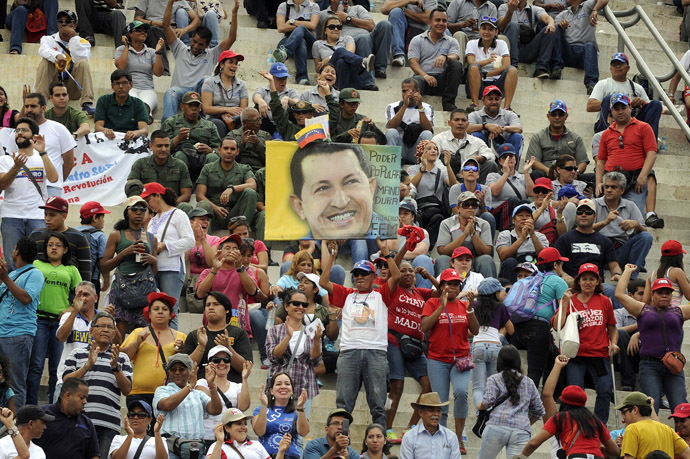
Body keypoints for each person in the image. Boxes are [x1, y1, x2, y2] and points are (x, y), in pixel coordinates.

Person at [319, 239, 400, 429]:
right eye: (356, 274)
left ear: (374, 276)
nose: (359, 278)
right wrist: (332, 257)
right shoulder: (347, 293)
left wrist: (385, 252)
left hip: (376, 352)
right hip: (349, 352)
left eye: (364, 274)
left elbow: (396, 277)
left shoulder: (381, 293)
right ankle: (340, 444)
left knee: (378, 406)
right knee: (343, 407)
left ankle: (379, 448)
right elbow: (323, 282)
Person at [616, 265, 690, 413]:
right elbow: (619, 294)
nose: (664, 296)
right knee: (650, 409)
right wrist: (627, 272)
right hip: (650, 366)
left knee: (681, 408)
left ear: (671, 295)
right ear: (652, 295)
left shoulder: (679, 311)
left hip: (674, 365)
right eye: (660, 293)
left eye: (667, 293)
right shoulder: (642, 309)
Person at [421, 269, 479, 452]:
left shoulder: (464, 305)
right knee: (441, 403)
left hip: (460, 359)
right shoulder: (431, 303)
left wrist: (470, 309)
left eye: (455, 284)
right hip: (437, 360)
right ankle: (443, 440)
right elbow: (424, 327)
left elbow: (476, 331)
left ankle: (459, 438)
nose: (452, 287)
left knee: (461, 393)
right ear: (441, 286)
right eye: (448, 283)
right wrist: (441, 306)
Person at [62, 312, 133, 459]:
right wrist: (87, 365)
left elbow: (127, 390)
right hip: (78, 420)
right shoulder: (77, 353)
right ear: (91, 330)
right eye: (101, 326)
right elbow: (66, 384)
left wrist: (115, 368)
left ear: (114, 333)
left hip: (108, 424)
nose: (106, 330)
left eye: (110, 327)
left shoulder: (122, 358)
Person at [552, 263, 617, 423]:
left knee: (605, 390)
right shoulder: (570, 299)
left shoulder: (605, 301)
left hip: (599, 355)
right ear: (578, 281)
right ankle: (574, 424)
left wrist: (613, 343)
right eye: (584, 279)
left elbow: (612, 327)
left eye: (592, 279)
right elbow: (556, 325)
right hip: (576, 356)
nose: (588, 282)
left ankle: (599, 426)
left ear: (597, 281)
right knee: (574, 392)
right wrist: (565, 303)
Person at [289, 142, 393, 240]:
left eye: (351, 182)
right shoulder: (300, 251)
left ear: (371, 190)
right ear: (299, 206)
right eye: (323, 188)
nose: (341, 202)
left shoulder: (393, 241)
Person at [160, 0, 239, 121]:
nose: (196, 46)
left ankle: (202, 115)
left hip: (199, 94)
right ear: (191, 38)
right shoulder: (180, 48)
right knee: (171, 92)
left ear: (207, 45)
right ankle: (167, 126)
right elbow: (166, 26)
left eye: (200, 44)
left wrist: (234, 13)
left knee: (207, 79)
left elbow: (232, 38)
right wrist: (170, 2)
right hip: (180, 92)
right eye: (194, 42)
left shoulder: (212, 54)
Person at [27, 232, 82, 406]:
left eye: (58, 245)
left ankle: (53, 405)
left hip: (60, 322)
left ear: (65, 249)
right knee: (36, 364)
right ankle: (31, 404)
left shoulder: (71, 269)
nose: (53, 248)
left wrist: (71, 308)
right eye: (50, 244)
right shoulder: (36, 264)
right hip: (39, 320)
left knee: (57, 367)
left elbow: (81, 294)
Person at [0, 118, 58, 270]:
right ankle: (14, 292)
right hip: (11, 216)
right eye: (17, 130)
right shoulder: (5, 159)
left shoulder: (43, 158)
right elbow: (2, 184)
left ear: (34, 135)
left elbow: (54, 178)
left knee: (39, 261)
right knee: (12, 261)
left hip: (37, 216)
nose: (19, 133)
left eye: (24, 130)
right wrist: (16, 167)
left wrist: (43, 152)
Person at [100, 195, 158, 337]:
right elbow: (104, 266)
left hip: (144, 287)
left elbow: (154, 272)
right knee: (119, 330)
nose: (139, 212)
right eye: (135, 209)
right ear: (127, 211)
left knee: (141, 332)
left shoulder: (151, 237)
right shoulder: (116, 235)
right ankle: (118, 358)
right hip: (122, 287)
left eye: (143, 209)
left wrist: (153, 260)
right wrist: (125, 253)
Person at [120, 292, 186, 410]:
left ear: (171, 315)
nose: (160, 312)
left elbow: (188, 367)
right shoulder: (138, 333)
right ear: (149, 314)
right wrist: (137, 343)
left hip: (169, 395)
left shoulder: (181, 337)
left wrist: (180, 352)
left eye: (164, 309)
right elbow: (122, 358)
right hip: (138, 394)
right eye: (156, 309)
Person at [513, 247, 568, 388]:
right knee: (535, 372)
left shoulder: (532, 278)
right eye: (560, 263)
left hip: (520, 327)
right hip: (538, 328)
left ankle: (548, 398)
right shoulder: (558, 281)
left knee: (554, 355)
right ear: (556, 265)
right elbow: (564, 310)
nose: (562, 266)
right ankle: (525, 406)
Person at [476, 345, 544, 459]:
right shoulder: (529, 382)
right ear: (518, 362)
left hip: (496, 426)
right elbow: (539, 410)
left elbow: (488, 401)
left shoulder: (494, 379)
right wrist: (526, 423)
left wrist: (480, 405)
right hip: (521, 431)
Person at [595, 93, 658, 216]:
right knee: (606, 218)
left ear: (630, 107)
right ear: (611, 111)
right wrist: (598, 182)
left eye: (623, 108)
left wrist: (642, 176)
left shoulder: (643, 127)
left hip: (635, 180)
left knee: (633, 218)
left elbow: (651, 153)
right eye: (616, 109)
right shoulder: (606, 134)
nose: (620, 112)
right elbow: (601, 160)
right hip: (611, 180)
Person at [0, 238, 44, 411]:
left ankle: (15, 430)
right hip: (3, 333)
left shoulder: (35, 273)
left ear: (16, 251)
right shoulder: (11, 274)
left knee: (15, 384)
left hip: (18, 336)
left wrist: (5, 278)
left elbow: (26, 298)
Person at [142, 183, 195, 320]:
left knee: (169, 311)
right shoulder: (153, 220)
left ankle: (172, 341)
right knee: (154, 311)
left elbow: (190, 241)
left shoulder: (179, 214)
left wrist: (165, 245)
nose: (148, 204)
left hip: (172, 268)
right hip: (154, 268)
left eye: (148, 200)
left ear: (158, 196)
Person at [521, 383, 620, 457]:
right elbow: (615, 451)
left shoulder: (560, 418)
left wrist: (521, 457)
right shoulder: (595, 420)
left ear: (564, 402)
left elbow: (534, 443)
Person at [154, 353, 222, 459]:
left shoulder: (197, 393)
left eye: (182, 369)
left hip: (196, 450)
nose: (177, 372)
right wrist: (190, 386)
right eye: (173, 369)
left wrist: (212, 385)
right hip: (171, 450)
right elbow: (167, 405)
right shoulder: (162, 390)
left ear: (190, 371)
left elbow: (216, 410)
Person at [265, 290, 323, 412]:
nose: (301, 307)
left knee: (301, 428)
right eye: (296, 303)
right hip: (280, 389)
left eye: (304, 305)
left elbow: (316, 361)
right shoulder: (275, 330)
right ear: (286, 306)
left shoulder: (311, 331)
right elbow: (272, 357)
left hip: (304, 388)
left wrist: (317, 340)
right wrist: (288, 337)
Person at [182, 291, 252, 383]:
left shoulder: (239, 333)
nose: (211, 307)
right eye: (208, 305)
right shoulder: (195, 335)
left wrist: (228, 348)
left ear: (227, 310)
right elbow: (186, 368)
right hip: (200, 390)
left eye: (216, 304)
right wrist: (201, 346)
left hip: (231, 391)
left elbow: (245, 368)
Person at [55, 282, 110, 398]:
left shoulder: (104, 319)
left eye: (86, 294)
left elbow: (117, 341)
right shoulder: (68, 316)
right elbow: (61, 337)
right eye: (78, 295)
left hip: (95, 382)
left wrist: (111, 319)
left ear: (95, 298)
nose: (82, 298)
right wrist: (75, 310)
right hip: (67, 380)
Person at [35, 10, 95, 116]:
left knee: (82, 63)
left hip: (72, 86)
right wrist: (57, 56)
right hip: (52, 83)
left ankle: (87, 102)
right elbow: (43, 50)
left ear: (75, 25)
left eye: (67, 21)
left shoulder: (83, 42)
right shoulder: (48, 39)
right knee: (46, 61)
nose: (63, 23)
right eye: (60, 21)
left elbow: (81, 57)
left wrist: (73, 38)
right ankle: (40, 101)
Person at [588, 52, 663, 138]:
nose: (617, 66)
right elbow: (590, 106)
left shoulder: (637, 87)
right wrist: (620, 103)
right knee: (609, 99)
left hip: (631, 125)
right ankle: (609, 137)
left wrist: (640, 103)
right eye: (614, 64)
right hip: (608, 125)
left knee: (656, 104)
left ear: (628, 68)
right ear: (610, 69)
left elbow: (650, 109)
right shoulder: (603, 84)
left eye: (620, 64)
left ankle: (650, 142)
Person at [593, 171, 653, 277]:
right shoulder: (594, 203)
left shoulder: (630, 205)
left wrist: (636, 225)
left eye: (613, 187)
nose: (609, 190)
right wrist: (605, 222)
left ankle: (631, 277)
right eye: (606, 187)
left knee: (645, 236)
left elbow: (645, 232)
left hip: (620, 251)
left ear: (622, 190)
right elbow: (583, 229)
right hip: (597, 250)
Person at [554, 199, 622, 288]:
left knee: (616, 291)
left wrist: (617, 274)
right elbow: (557, 264)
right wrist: (564, 275)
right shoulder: (565, 239)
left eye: (588, 212)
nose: (583, 215)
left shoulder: (605, 241)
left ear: (595, 216)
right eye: (579, 212)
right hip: (571, 284)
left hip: (597, 286)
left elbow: (614, 265)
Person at [319, 0, 393, 79]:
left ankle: (380, 69)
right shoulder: (323, 14)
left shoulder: (358, 8)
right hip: (349, 46)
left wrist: (348, 18)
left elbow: (371, 26)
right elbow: (321, 37)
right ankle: (368, 80)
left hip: (370, 40)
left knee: (385, 25)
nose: (346, 0)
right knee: (363, 38)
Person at [21, 93, 77, 197]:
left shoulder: (59, 129)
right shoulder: (19, 132)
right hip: (24, 185)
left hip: (51, 187)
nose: (29, 110)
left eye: (33, 106)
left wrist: (56, 181)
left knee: (51, 214)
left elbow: (69, 163)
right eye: (26, 106)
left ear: (43, 108)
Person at [470, 278, 514, 411]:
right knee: (491, 385)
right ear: (495, 293)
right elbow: (511, 330)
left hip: (478, 345)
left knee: (478, 387)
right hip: (495, 346)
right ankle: (489, 414)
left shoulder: (474, 306)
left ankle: (479, 413)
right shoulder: (501, 307)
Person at [196, 138, 257, 231]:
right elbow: (199, 195)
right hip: (214, 214)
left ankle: (242, 233)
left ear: (237, 152)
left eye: (232, 149)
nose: (229, 152)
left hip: (235, 214)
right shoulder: (208, 168)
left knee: (250, 192)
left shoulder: (244, 168)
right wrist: (215, 208)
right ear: (219, 150)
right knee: (204, 204)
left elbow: (253, 185)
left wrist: (232, 188)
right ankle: (203, 240)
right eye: (226, 148)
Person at [409, 9, 463, 112]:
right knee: (415, 81)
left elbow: (455, 56)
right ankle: (412, 108)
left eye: (444, 21)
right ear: (430, 22)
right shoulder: (417, 40)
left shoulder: (452, 41)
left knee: (456, 65)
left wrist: (445, 57)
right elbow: (413, 62)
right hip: (423, 78)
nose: (441, 23)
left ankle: (448, 103)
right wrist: (425, 76)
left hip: (442, 80)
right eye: (437, 20)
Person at [196, 348, 250, 447]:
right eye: (216, 360)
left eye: (226, 360)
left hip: (230, 438)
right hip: (207, 437)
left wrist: (245, 379)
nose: (222, 363)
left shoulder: (237, 386)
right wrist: (211, 383)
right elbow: (212, 407)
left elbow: (243, 407)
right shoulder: (201, 383)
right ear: (209, 363)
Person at [29, 197, 91, 282]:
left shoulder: (79, 237)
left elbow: (85, 270)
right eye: (45, 214)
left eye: (52, 215)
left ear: (64, 216)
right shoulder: (35, 235)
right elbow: (26, 263)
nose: (47, 218)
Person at [552, 0, 609, 94]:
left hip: (583, 53)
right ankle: (556, 68)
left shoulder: (587, 6)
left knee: (590, 45)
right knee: (556, 29)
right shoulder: (563, 14)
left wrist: (595, 10)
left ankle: (591, 84)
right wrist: (561, 27)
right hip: (568, 52)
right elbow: (554, 32)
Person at [34, 378, 99, 459]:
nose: (85, 401)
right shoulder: (43, 414)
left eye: (86, 398)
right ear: (68, 395)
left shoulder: (87, 423)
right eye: (82, 398)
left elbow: (94, 455)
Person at [408, 140, 457, 247]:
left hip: (436, 208)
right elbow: (411, 186)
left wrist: (448, 166)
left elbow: (453, 184)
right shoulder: (413, 169)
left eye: (435, 149)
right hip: (419, 208)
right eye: (429, 149)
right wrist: (422, 169)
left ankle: (426, 246)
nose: (433, 151)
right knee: (416, 218)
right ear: (421, 153)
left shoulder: (441, 170)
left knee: (438, 218)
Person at [525, 100, 590, 180]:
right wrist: (548, 171)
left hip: (570, 175)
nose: (557, 117)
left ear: (566, 116)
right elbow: (533, 161)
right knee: (536, 174)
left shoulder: (576, 138)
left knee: (592, 178)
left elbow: (582, 161)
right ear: (548, 116)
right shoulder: (538, 137)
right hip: (547, 175)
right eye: (553, 114)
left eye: (560, 114)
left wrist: (576, 172)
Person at [435, 191, 495, 278]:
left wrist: (473, 233)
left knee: (486, 259)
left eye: (474, 205)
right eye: (466, 204)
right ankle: (442, 290)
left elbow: (486, 252)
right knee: (442, 259)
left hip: (475, 260)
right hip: (454, 260)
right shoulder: (446, 223)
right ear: (458, 207)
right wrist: (465, 234)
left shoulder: (484, 224)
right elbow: (442, 251)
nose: (470, 207)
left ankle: (490, 290)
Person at [114, 21, 165, 123]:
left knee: (146, 103)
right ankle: (144, 116)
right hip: (129, 87)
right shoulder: (121, 49)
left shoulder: (151, 52)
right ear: (130, 34)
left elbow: (158, 73)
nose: (143, 32)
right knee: (134, 100)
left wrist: (158, 52)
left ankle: (143, 114)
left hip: (147, 88)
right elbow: (121, 67)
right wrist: (127, 46)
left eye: (145, 31)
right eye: (139, 30)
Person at [616, 391, 690, 459]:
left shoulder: (632, 429)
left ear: (635, 410)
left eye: (624, 412)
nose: (622, 416)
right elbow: (688, 454)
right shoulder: (668, 430)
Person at [432, 109, 498, 185]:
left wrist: (479, 158)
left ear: (467, 124)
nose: (460, 123)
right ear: (449, 123)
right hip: (448, 178)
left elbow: (491, 155)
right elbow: (434, 160)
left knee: (490, 164)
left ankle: (480, 192)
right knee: (444, 159)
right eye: (456, 120)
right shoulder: (439, 139)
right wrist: (449, 177)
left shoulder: (476, 141)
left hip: (471, 178)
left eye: (463, 120)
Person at [465, 18, 518, 112]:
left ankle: (507, 108)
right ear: (479, 30)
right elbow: (470, 62)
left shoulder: (501, 44)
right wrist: (487, 61)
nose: (486, 32)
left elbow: (506, 65)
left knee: (512, 70)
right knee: (473, 67)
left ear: (496, 32)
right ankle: (474, 104)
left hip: (496, 84)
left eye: (490, 29)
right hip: (478, 83)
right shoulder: (472, 43)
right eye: (484, 28)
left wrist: (487, 74)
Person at [252, 372, 309, 459]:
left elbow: (304, 432)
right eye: (278, 384)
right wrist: (264, 405)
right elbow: (259, 432)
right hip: (265, 455)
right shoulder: (260, 409)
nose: (283, 386)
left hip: (290, 456)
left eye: (287, 384)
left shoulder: (297, 412)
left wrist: (300, 407)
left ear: (292, 390)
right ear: (271, 391)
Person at [312, 16, 378, 91]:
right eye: (332, 27)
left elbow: (350, 52)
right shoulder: (317, 44)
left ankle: (340, 89)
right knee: (340, 51)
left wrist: (329, 58)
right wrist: (331, 59)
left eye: (339, 27)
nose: (336, 29)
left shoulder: (347, 38)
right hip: (330, 73)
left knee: (341, 60)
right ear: (325, 31)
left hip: (349, 73)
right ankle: (362, 62)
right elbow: (318, 68)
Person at [126, 130, 193, 202]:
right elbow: (131, 187)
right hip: (146, 205)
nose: (164, 149)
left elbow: (186, 195)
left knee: (185, 206)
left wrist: (169, 206)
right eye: (159, 146)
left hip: (172, 206)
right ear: (151, 146)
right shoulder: (140, 164)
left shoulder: (180, 165)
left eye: (167, 145)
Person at [498, 0, 556, 76]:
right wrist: (510, 11)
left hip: (527, 49)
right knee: (513, 25)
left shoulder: (534, 9)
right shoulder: (504, 7)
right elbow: (501, 27)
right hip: (509, 50)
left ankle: (541, 68)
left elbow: (547, 18)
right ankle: (512, 66)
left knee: (549, 29)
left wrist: (551, 24)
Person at [385, 78, 434, 165]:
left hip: (417, 151)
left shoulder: (427, 107)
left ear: (418, 91)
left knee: (427, 133)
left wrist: (420, 106)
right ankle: (391, 166)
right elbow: (391, 126)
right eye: (404, 91)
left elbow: (428, 128)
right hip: (400, 149)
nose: (407, 94)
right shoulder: (392, 106)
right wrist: (404, 105)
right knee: (391, 132)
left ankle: (424, 167)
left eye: (411, 91)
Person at [201, 50, 249, 139]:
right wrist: (227, 110)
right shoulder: (210, 82)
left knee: (246, 123)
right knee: (218, 124)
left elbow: (244, 110)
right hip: (216, 118)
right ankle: (219, 150)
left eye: (236, 63)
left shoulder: (241, 85)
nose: (234, 66)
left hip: (235, 118)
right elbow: (206, 109)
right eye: (231, 62)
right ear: (222, 65)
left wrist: (233, 116)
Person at [398, 392, 461, 459]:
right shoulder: (409, 437)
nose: (436, 414)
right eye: (431, 410)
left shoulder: (451, 437)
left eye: (438, 411)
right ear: (421, 413)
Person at [486, 144, 534, 232]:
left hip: (518, 212)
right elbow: (494, 192)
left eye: (511, 156)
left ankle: (527, 230)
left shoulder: (522, 176)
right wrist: (506, 173)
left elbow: (531, 193)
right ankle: (506, 231)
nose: (508, 159)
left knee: (526, 202)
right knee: (513, 200)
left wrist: (526, 172)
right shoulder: (493, 175)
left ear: (516, 159)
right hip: (498, 213)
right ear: (500, 161)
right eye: (504, 157)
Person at [495, 203, 548, 282]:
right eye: (520, 215)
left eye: (527, 216)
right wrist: (521, 239)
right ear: (513, 219)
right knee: (509, 262)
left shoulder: (540, 236)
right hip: (514, 268)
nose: (524, 218)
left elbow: (544, 258)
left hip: (534, 265)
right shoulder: (505, 234)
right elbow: (503, 256)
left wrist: (532, 235)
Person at [273, 0, 320, 85]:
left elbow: (312, 25)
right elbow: (280, 28)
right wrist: (305, 24)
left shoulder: (313, 6)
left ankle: (285, 52)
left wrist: (293, 22)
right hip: (289, 39)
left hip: (310, 42)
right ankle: (302, 78)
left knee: (302, 28)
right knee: (300, 41)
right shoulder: (284, 5)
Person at [94, 70, 149, 140]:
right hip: (108, 139)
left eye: (124, 83)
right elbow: (98, 127)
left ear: (131, 85)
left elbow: (144, 130)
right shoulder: (103, 100)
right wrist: (105, 130)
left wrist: (135, 132)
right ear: (112, 86)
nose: (121, 86)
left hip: (130, 140)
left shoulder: (138, 103)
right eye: (117, 83)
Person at [468, 86, 523, 156]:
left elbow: (519, 128)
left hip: (505, 149)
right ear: (483, 100)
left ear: (500, 100)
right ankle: (476, 165)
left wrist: (501, 129)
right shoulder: (474, 115)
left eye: (497, 99)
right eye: (490, 99)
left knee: (517, 137)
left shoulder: (509, 114)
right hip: (483, 149)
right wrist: (486, 126)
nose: (494, 102)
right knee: (475, 135)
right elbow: (467, 128)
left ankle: (513, 166)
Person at [381, 0, 438, 68]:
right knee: (395, 12)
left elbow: (427, 18)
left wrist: (404, 10)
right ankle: (399, 55)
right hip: (401, 31)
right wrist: (408, 1)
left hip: (420, 32)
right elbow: (384, 9)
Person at [252, 62, 300, 135]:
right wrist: (260, 101)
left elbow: (297, 102)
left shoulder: (291, 91)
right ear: (271, 77)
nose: (282, 82)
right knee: (256, 107)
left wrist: (288, 99)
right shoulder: (263, 90)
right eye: (279, 79)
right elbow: (256, 96)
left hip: (285, 125)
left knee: (296, 109)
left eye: (284, 78)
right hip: (267, 124)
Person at [643, 240, 690, 308]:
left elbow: (645, 302)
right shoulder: (677, 272)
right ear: (679, 257)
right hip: (672, 313)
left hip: (655, 313)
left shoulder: (652, 275)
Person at [76, 202, 110, 297]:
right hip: (92, 280)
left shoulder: (73, 233)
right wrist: (106, 281)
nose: (103, 221)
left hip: (73, 278)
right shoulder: (100, 235)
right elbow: (103, 262)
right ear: (95, 218)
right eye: (102, 217)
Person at [615, 278, 643, 391]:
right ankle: (628, 381)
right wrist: (639, 325)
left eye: (646, 294)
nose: (644, 297)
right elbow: (615, 332)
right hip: (622, 356)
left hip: (643, 356)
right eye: (640, 293)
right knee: (620, 333)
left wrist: (637, 335)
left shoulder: (652, 313)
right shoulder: (619, 313)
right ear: (630, 295)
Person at [527, 177, 571, 244]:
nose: (540, 194)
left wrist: (559, 214)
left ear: (551, 193)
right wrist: (541, 208)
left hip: (549, 245)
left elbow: (562, 235)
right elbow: (525, 227)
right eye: (537, 190)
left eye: (544, 191)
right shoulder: (525, 208)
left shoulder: (555, 212)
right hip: (529, 244)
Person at [226, 108, 271, 173]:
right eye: (256, 120)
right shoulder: (233, 135)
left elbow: (269, 160)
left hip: (259, 171)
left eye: (260, 119)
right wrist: (242, 144)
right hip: (238, 171)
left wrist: (258, 144)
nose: (260, 123)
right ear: (245, 123)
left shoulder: (266, 135)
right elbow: (228, 158)